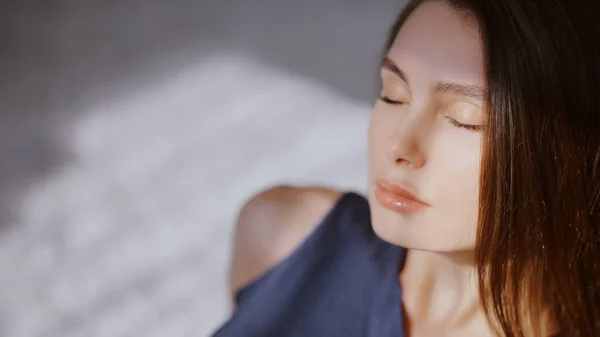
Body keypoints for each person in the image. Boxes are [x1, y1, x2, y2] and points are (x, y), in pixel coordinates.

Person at [212, 0, 600, 336]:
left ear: (569, 153)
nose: (397, 144)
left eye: (465, 119)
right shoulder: (285, 241)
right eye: (393, 95)